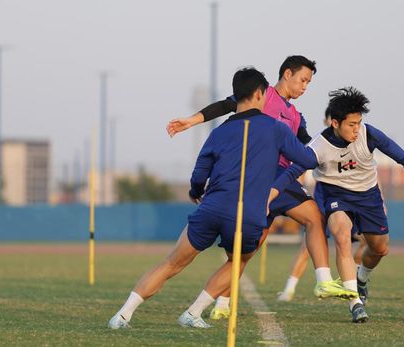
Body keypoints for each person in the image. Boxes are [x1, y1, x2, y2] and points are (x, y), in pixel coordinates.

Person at [108, 67, 323, 330]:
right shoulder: (275, 129)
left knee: (172, 263)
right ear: (260, 93)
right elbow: (309, 160)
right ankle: (193, 312)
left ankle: (122, 315)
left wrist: (196, 193)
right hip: (247, 214)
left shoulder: (218, 132)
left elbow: (199, 174)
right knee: (238, 262)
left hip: (210, 208)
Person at [166, 56, 356, 320]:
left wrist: (338, 140)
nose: (304, 87)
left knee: (253, 249)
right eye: (303, 80)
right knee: (310, 219)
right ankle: (321, 281)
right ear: (287, 74)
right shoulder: (262, 95)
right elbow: (225, 105)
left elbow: (307, 147)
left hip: (275, 180)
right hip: (264, 176)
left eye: (309, 83)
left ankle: (218, 305)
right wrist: (191, 121)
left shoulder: (295, 116)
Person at [274, 87, 404, 322]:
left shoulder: (369, 135)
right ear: (335, 123)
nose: (356, 129)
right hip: (335, 195)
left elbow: (403, 158)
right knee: (342, 234)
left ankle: (362, 278)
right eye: (351, 124)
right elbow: (293, 171)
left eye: (359, 122)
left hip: (368, 196)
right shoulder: (319, 147)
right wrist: (270, 193)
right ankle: (355, 303)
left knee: (380, 248)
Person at [277, 108, 367, 302]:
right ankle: (289, 290)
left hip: (349, 201)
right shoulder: (319, 144)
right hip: (324, 200)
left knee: (366, 241)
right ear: (330, 121)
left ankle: (354, 278)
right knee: (307, 247)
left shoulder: (355, 142)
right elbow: (301, 165)